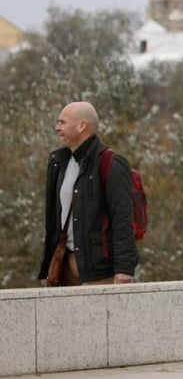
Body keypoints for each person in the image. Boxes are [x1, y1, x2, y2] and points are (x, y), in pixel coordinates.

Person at [38, 101, 139, 286]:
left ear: (81, 125)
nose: (57, 127)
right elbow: (53, 221)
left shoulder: (111, 163)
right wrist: (47, 268)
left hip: (100, 271)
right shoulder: (58, 163)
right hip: (65, 266)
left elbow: (123, 219)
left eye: (62, 122)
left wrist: (124, 269)